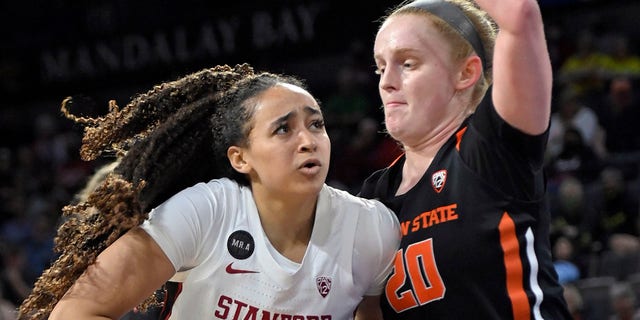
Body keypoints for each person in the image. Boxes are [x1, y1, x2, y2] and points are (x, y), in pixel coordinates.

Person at [17, 64, 401, 320]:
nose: (308, 141)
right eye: (283, 129)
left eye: (316, 125)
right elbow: (77, 310)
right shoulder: (207, 211)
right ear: (240, 158)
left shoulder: (370, 228)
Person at [359, 0, 572, 318]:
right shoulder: (373, 196)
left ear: (466, 73)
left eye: (408, 64)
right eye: (380, 66)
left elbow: (521, 14)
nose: (386, 82)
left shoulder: (490, 149)